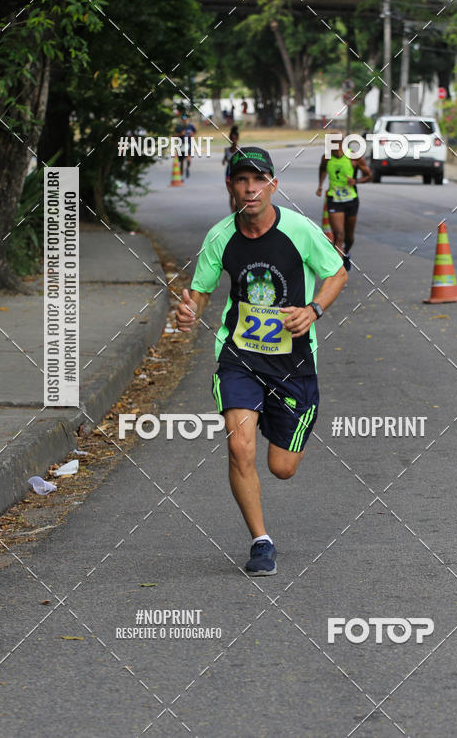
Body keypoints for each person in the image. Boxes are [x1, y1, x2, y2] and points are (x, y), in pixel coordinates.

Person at [175, 147, 347, 576]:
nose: (250, 189)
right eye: (241, 181)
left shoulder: (299, 229)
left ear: (273, 184)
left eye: (259, 180)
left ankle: (272, 417)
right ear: (231, 187)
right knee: (239, 446)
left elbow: (338, 271)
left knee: (282, 468)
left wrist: (314, 310)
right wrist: (189, 310)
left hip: (293, 364)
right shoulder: (220, 236)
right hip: (239, 358)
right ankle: (260, 541)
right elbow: (200, 289)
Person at [316, 137, 371, 271]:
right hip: (334, 200)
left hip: (351, 200)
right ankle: (338, 271)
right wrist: (320, 185)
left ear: (341, 144)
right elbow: (322, 169)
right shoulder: (326, 157)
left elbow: (369, 175)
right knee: (339, 235)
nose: (330, 148)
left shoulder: (354, 157)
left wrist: (356, 181)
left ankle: (346, 252)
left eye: (333, 145)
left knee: (349, 237)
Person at [222, 126, 240, 211]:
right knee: (231, 194)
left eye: (235, 138)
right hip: (228, 174)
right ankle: (232, 213)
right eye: (231, 138)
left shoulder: (240, 151)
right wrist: (224, 160)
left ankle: (238, 210)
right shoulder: (227, 150)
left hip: (237, 174)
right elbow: (225, 158)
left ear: (237, 138)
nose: (233, 140)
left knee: (238, 194)